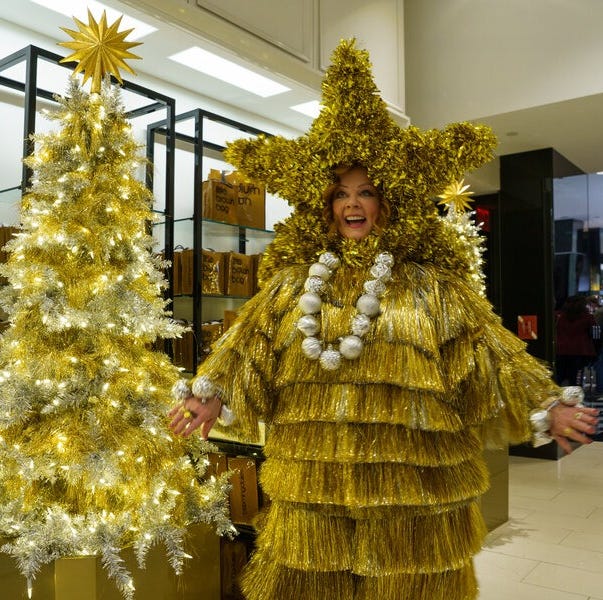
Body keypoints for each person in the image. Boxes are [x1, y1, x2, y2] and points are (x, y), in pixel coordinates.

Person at [168, 40, 598, 600]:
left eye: (366, 191)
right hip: (313, 478)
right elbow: (247, 342)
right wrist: (213, 391)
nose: (353, 204)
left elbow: (490, 348)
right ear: (324, 202)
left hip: (413, 486)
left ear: (387, 199)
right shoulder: (297, 282)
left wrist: (545, 401)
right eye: (341, 192)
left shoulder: (429, 285)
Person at [555, 294, 598, 386]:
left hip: (561, 350)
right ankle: (574, 396)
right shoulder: (588, 317)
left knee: (559, 376)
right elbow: (595, 334)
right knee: (575, 379)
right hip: (580, 351)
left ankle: (559, 396)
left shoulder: (559, 316)